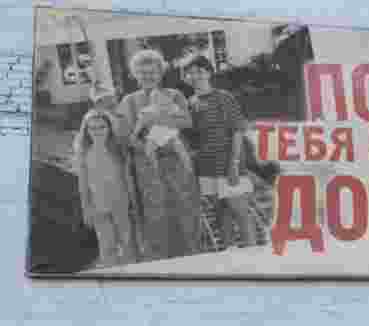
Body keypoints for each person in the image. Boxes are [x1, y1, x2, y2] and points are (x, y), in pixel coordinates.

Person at [113, 49, 200, 261]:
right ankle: (162, 260)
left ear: (160, 73)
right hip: (147, 164)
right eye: (142, 73)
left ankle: (192, 256)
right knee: (155, 212)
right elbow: (124, 137)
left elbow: (187, 122)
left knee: (184, 207)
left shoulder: (174, 95)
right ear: (135, 74)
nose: (147, 76)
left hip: (176, 160)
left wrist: (159, 120)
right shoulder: (129, 101)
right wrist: (147, 147)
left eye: (152, 72)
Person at [184, 55, 257, 250]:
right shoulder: (189, 103)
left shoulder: (223, 97)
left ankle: (256, 256)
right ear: (186, 77)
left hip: (229, 164)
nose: (195, 76)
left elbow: (238, 130)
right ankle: (230, 255)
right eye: (190, 72)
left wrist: (233, 165)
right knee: (221, 214)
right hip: (207, 167)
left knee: (240, 213)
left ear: (209, 73)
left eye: (200, 71)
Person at [74, 109, 138, 267]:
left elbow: (128, 178)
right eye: (92, 128)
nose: (97, 131)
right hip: (98, 206)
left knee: (128, 244)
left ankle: (133, 275)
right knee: (107, 246)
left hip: (121, 203)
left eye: (102, 127)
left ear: (109, 128)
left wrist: (133, 202)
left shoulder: (118, 150)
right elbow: (83, 184)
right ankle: (112, 276)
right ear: (86, 130)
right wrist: (86, 208)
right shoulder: (83, 153)